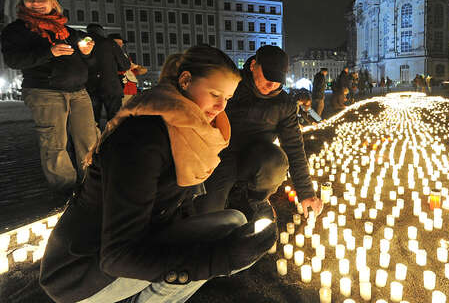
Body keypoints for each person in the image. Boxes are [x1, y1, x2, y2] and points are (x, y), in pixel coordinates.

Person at [39, 45, 278, 303]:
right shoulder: (142, 138)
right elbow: (117, 256)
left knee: (232, 223)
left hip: (140, 240)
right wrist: (218, 259)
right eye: (214, 94)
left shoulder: (189, 133)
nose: (221, 106)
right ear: (185, 80)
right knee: (222, 243)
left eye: (228, 99)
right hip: (81, 271)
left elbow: (175, 206)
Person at [200, 46, 323, 222]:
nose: (271, 85)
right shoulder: (232, 87)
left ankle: (254, 199)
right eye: (267, 76)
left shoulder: (284, 104)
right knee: (210, 216)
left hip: (258, 158)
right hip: (221, 155)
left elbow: (294, 147)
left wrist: (306, 193)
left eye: (277, 80)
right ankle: (228, 195)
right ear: (253, 66)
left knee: (276, 161)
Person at [1, 0, 98, 195]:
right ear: (22, 2)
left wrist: (87, 52)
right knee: (54, 144)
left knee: (90, 140)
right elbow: (14, 60)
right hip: (45, 91)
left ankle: (92, 187)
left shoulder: (67, 30)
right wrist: (50, 52)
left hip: (79, 92)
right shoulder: (16, 30)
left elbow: (89, 63)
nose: (35, 3)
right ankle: (65, 192)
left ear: (52, 2)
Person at [85, 23, 131, 129]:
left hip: (90, 88)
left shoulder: (82, 44)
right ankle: (114, 143)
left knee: (92, 122)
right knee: (114, 121)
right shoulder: (109, 43)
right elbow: (125, 65)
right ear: (101, 31)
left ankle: (94, 143)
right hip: (111, 87)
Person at [109, 34, 148, 105]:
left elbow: (135, 71)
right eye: (117, 44)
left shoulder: (124, 55)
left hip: (131, 90)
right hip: (121, 89)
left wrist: (136, 67)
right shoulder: (109, 55)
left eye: (121, 44)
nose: (120, 46)